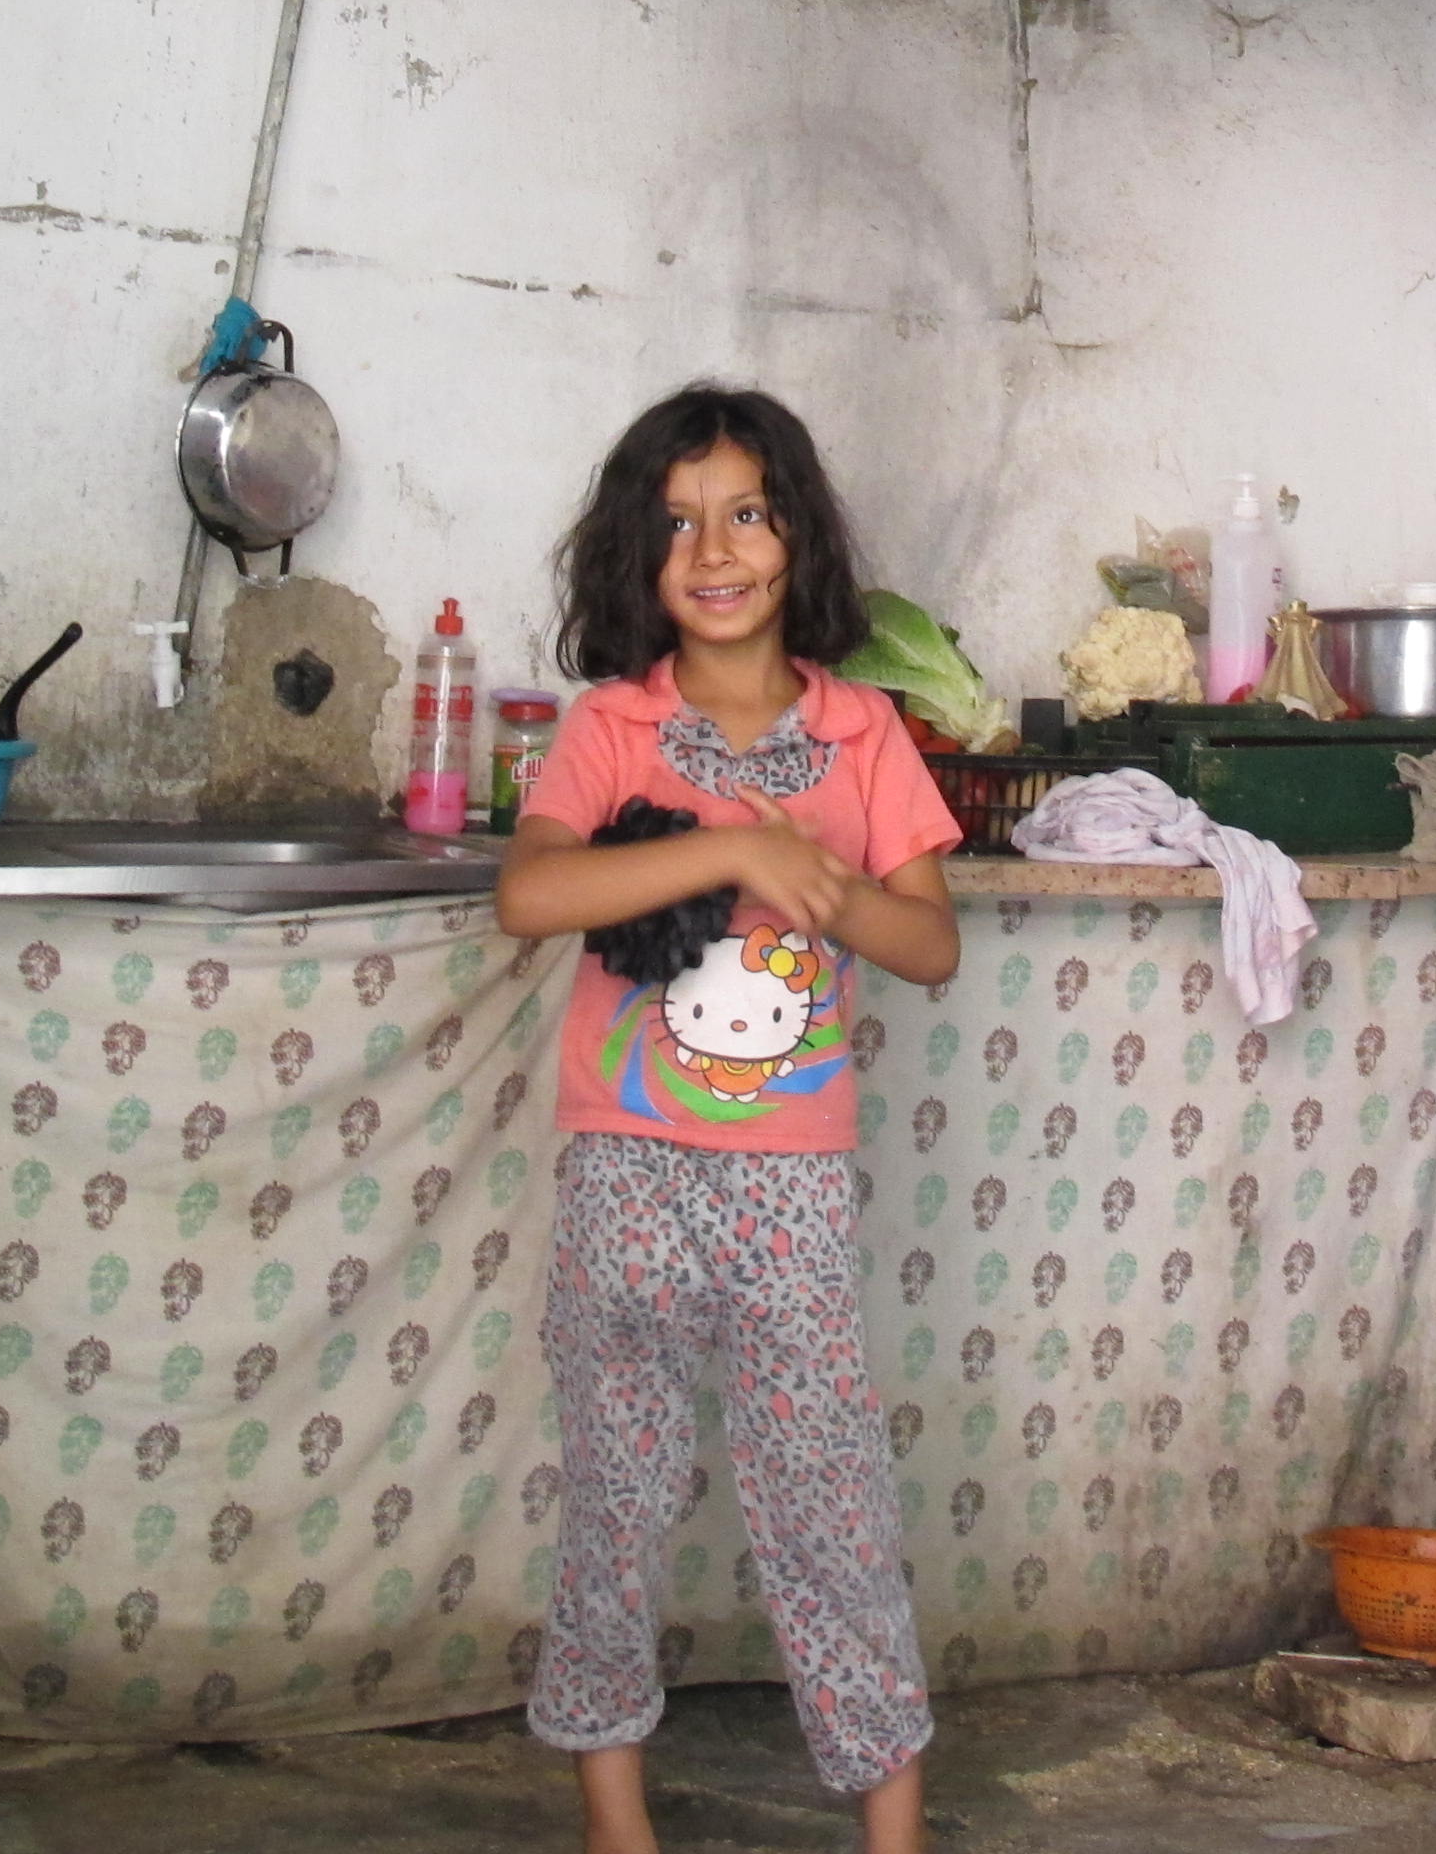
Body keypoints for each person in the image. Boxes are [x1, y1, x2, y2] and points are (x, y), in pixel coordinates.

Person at [495, 384, 962, 1854]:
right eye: (677, 521)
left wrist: (833, 884)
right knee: (616, 1513)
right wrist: (735, 840)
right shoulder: (613, 728)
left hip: (791, 1191)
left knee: (830, 1512)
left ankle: (892, 1829)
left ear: (796, 535)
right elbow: (532, 894)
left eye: (747, 512)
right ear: (638, 558)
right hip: (626, 1178)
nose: (715, 549)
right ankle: (615, 1825)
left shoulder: (862, 730)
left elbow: (931, 945)